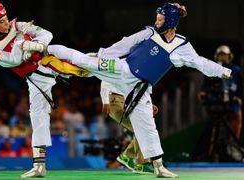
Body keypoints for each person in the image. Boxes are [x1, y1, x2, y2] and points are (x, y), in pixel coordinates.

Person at [47, 2, 232, 178]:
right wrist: (102, 56)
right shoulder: (149, 33)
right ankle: (45, 49)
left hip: (140, 88)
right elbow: (124, 45)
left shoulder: (181, 46)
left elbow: (199, 62)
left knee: (148, 127)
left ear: (170, 21)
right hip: (122, 69)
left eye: (159, 19)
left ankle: (158, 167)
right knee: (84, 61)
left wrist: (222, 71)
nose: (156, 21)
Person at [0, 2, 88, 178]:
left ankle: (115, 66)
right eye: (1, 22)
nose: (7, 24)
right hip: (36, 78)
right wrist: (22, 41)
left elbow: (47, 34)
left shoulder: (19, 25)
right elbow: (14, 60)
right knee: (37, 115)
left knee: (88, 64)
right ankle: (39, 166)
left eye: (6, 19)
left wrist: (35, 45)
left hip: (49, 56)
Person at [100, 80, 158, 174]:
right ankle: (138, 162)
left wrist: (148, 104)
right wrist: (105, 101)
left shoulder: (135, 69)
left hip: (128, 99)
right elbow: (105, 77)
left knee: (143, 127)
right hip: (116, 100)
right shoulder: (121, 65)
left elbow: (134, 88)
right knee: (142, 128)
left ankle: (131, 159)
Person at [198, 45, 244, 162]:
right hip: (217, 104)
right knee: (215, 127)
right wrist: (203, 92)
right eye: (220, 55)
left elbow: (240, 86)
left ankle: (233, 150)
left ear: (229, 57)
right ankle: (213, 153)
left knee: (236, 123)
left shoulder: (236, 70)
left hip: (232, 103)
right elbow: (206, 84)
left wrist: (239, 98)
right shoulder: (211, 69)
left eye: (225, 55)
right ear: (217, 56)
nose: (223, 57)